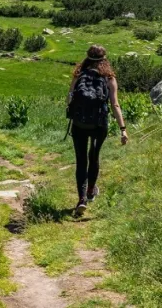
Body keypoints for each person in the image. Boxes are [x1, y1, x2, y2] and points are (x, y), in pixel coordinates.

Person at [66, 45, 127, 217]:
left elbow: (69, 98)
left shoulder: (79, 75)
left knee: (81, 160)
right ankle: (91, 190)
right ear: (104, 60)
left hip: (79, 125)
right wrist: (123, 129)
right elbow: (115, 104)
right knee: (94, 156)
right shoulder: (109, 78)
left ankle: (81, 200)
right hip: (99, 125)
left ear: (87, 58)